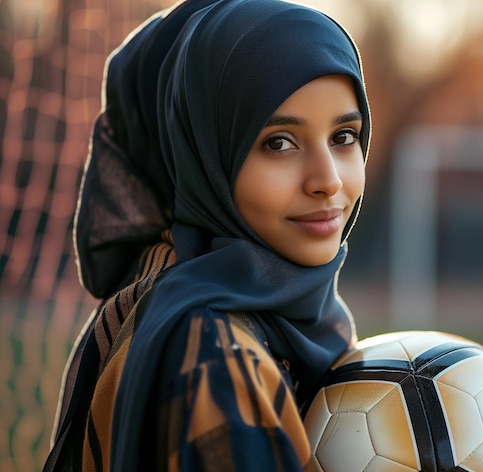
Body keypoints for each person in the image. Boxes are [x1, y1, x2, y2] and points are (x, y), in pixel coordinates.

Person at [44, 0, 370, 470]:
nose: (329, 180)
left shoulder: (161, 291)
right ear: (204, 156)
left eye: (344, 136)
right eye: (279, 142)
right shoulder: (217, 366)